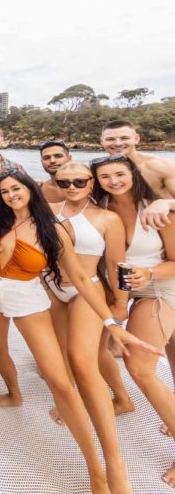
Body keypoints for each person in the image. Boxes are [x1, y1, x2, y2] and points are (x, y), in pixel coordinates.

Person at [0, 168, 160, 494]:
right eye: (5, 191)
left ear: (31, 189)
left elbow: (78, 277)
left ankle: (98, 469)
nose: (11, 195)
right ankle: (14, 394)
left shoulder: (53, 230)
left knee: (61, 382)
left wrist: (112, 321)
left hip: (27, 300)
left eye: (16, 188)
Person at [44, 162, 133, 492]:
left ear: (91, 182)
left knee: (83, 362)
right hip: (52, 288)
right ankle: (88, 404)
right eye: (64, 181)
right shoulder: (48, 210)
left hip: (89, 289)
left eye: (79, 180)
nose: (71, 185)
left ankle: (114, 460)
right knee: (66, 359)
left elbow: (116, 264)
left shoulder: (107, 219)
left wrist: (120, 306)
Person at [92, 154, 175, 488]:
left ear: (133, 174)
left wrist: (149, 272)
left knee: (140, 368)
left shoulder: (156, 209)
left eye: (119, 174)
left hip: (160, 285)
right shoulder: (97, 209)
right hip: (120, 289)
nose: (113, 181)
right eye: (105, 176)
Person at [101, 120, 175, 228]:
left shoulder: (161, 166)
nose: (117, 143)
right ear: (102, 142)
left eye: (124, 138)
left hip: (162, 230)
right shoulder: (100, 171)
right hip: (121, 231)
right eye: (110, 139)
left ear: (136, 139)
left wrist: (166, 203)